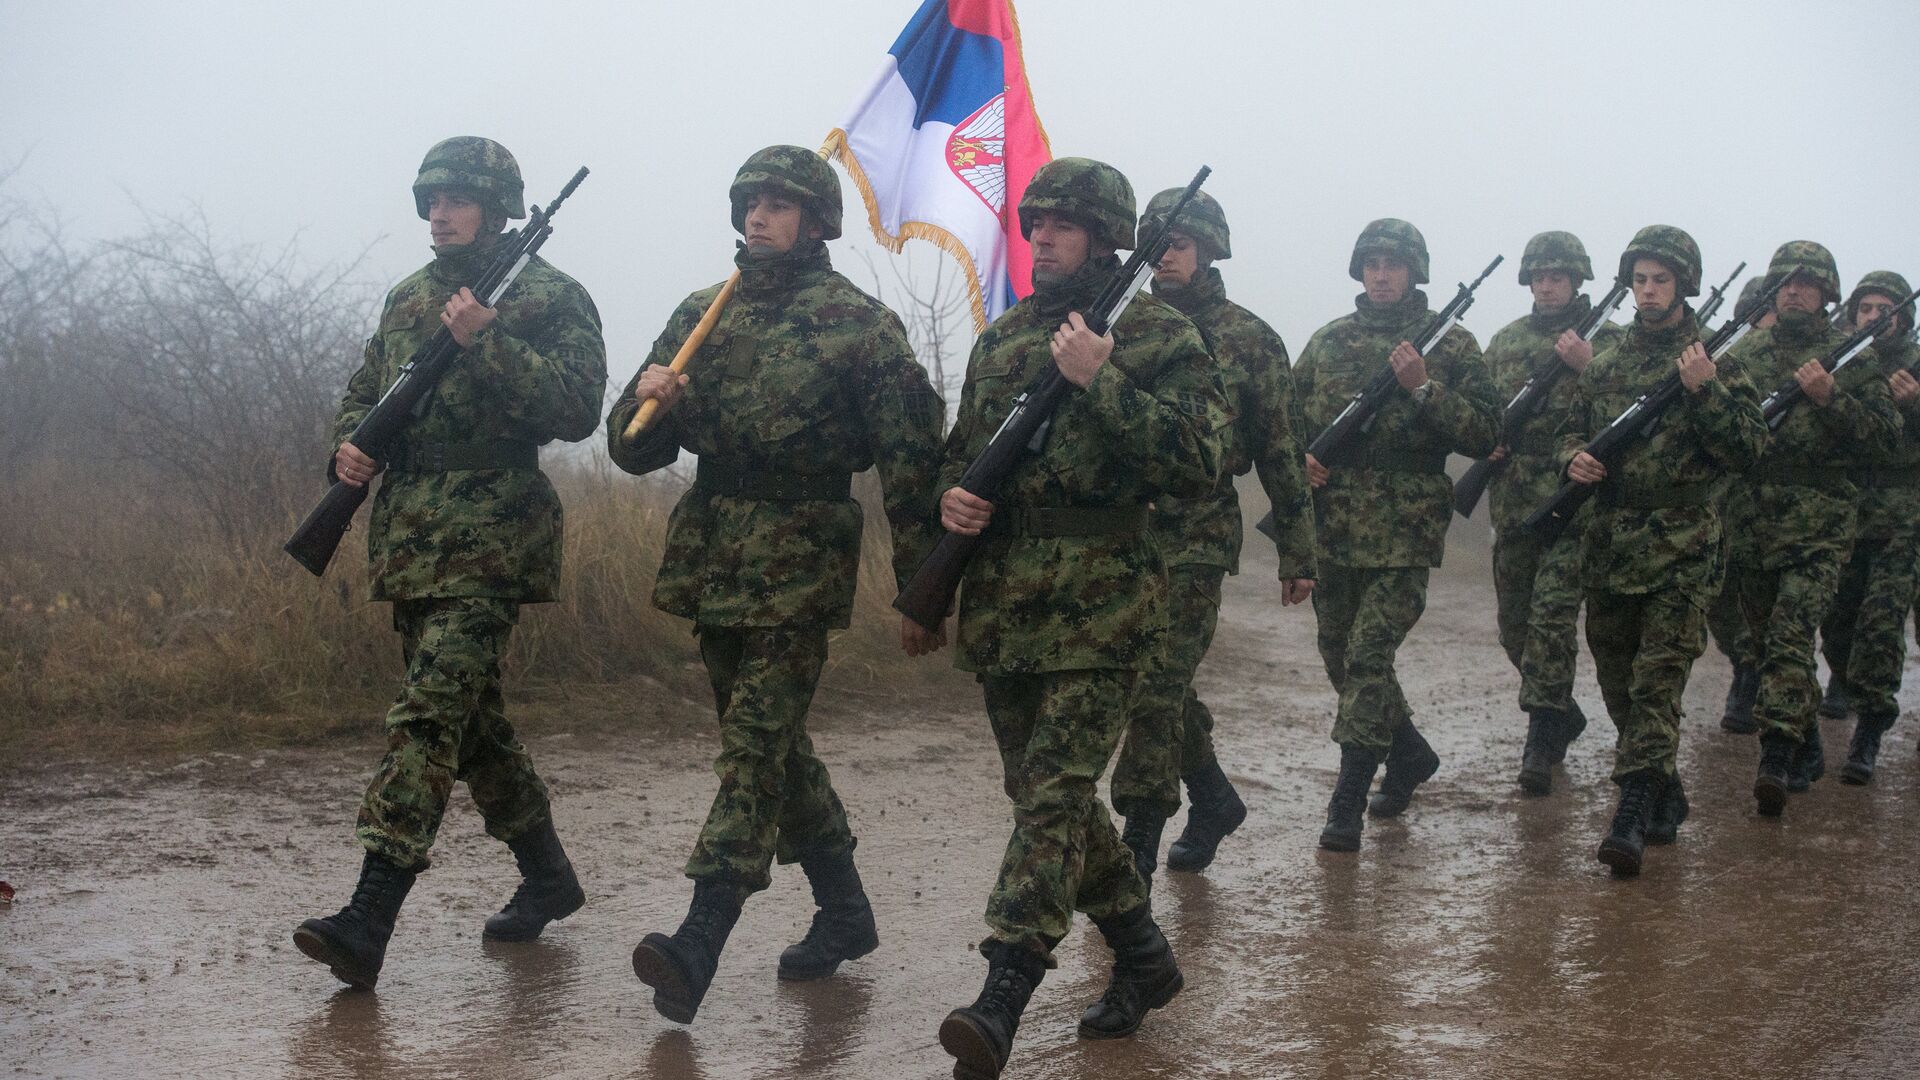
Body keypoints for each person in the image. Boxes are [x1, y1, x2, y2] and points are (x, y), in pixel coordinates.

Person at [608, 145, 944, 1024]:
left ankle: (699, 937)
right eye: (751, 202)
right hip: (716, 555)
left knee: (754, 749)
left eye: (780, 204)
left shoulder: (856, 325)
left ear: (818, 221)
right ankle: (845, 910)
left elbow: (911, 464)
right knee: (775, 745)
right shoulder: (701, 313)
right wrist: (653, 402)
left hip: (800, 561)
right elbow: (629, 447)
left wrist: (923, 587)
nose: (759, 216)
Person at [932, 157, 1228, 1079]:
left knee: (1055, 795)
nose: (1045, 238)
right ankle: (1143, 954)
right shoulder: (1001, 339)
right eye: (1037, 223)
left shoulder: (1160, 335)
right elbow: (963, 459)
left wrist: (1104, 381)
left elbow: (1198, 463)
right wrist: (952, 508)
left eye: (1064, 224)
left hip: (1106, 609)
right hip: (1008, 607)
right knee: (1045, 800)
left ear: (1106, 238)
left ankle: (1003, 993)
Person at [293, 136, 607, 988]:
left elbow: (579, 410)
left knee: (429, 715)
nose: (440, 211)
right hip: (412, 536)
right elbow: (366, 390)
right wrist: (349, 449)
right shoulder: (406, 299)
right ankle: (548, 875)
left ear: (497, 206)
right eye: (429, 197)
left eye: (458, 197)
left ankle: (368, 916)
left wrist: (487, 340)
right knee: (473, 727)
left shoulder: (546, 295)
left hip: (494, 537)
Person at [1107, 188, 1315, 883]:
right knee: (1147, 679)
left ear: (1208, 251)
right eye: (1157, 243)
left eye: (1181, 244)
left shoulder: (1251, 340)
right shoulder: (1116, 325)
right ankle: (1215, 797)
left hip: (1197, 530)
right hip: (1119, 530)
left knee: (1158, 684)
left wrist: (1298, 549)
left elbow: (1282, 453)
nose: (1166, 255)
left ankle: (1137, 842)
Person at [1558, 226, 1764, 873]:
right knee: (1618, 682)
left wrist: (1705, 389)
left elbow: (1750, 447)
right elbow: (1571, 422)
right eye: (1640, 280)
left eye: (1661, 280)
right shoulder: (1610, 357)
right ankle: (1665, 790)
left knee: (1655, 685)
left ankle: (1631, 811)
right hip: (1611, 547)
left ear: (1684, 285)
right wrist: (1573, 456)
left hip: (1683, 547)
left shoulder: (1718, 360)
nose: (1648, 291)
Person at [1290, 218, 1498, 852]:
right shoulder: (1327, 343)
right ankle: (1409, 754)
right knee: (1338, 656)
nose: (1382, 274)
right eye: (1372, 263)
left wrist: (1424, 389)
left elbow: (1488, 435)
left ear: (1416, 272)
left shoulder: (1453, 346)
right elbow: (1286, 424)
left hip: (1406, 532)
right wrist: (1303, 459)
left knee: (1368, 656)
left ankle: (1347, 801)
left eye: (1395, 264)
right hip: (1335, 529)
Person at [1721, 242, 1899, 816]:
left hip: (1820, 527)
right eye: (1785, 282)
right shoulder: (1746, 353)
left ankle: (1775, 752)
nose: (1793, 290)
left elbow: (1885, 440)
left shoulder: (1856, 359)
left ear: (1828, 292)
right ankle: (1807, 739)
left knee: (1790, 637)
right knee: (1763, 641)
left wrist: (1832, 399)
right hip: (1752, 522)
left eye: (1806, 282)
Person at [1478, 231, 1624, 794]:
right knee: (1515, 628)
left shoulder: (1610, 341)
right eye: (1538, 275)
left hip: (1575, 502)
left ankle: (1540, 738)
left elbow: (1634, 409)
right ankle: (1561, 710)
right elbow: (1482, 413)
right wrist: (1485, 442)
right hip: (1515, 504)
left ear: (1578, 279)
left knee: (1551, 619)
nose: (1547, 284)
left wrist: (1591, 365)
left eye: (1557, 275)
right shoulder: (1506, 341)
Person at [1818, 273, 1917, 776]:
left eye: (1886, 308)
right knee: (1835, 625)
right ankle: (1853, 690)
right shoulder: (1843, 363)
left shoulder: (1916, 366)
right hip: (1845, 512)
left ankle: (1871, 727)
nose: (1876, 316)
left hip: (1904, 516)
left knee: (1881, 622)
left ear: (1903, 316)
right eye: (1867, 308)